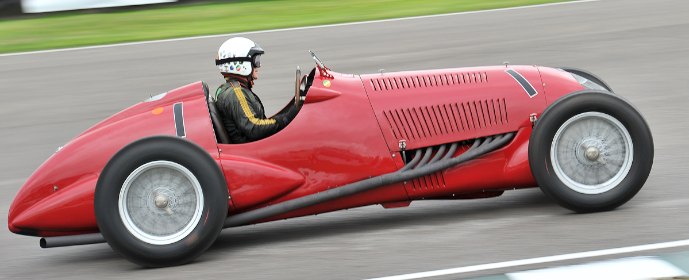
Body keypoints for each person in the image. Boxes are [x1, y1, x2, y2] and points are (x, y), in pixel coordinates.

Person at [214, 37, 299, 143]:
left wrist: (287, 115)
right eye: (255, 61)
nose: (259, 65)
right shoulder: (236, 93)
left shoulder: (229, 89)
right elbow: (254, 128)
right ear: (240, 64)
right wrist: (286, 119)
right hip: (251, 151)